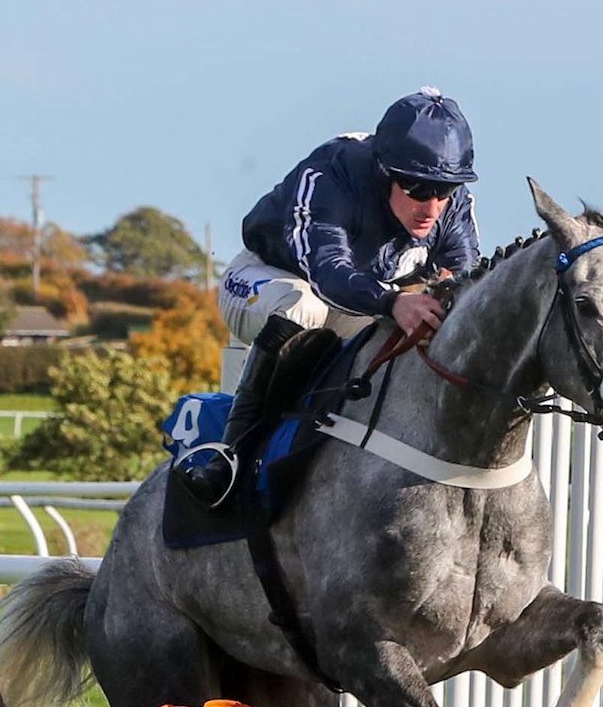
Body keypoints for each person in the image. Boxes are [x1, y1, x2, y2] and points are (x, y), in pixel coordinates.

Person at [175, 88, 482, 508]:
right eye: (415, 187)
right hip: (266, 280)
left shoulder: (453, 205)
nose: (430, 206)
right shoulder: (331, 176)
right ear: (384, 171)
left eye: (443, 189)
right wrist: (395, 302)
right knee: (305, 307)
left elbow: (463, 278)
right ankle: (230, 457)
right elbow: (328, 273)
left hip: (362, 298)